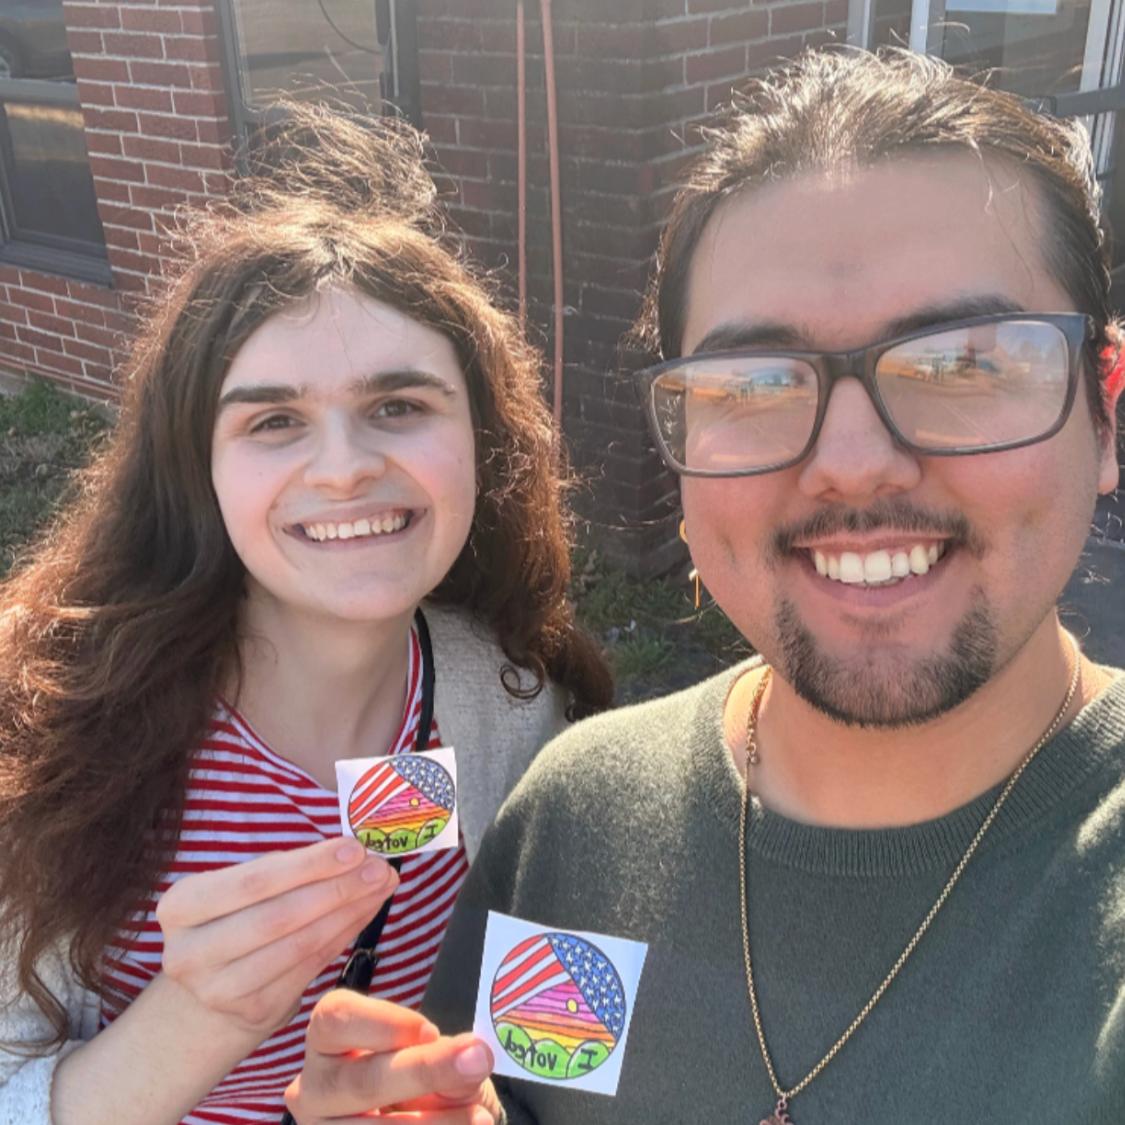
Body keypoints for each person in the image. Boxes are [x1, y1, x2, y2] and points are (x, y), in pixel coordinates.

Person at [285, 48, 1125, 1124]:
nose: (853, 464)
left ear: (1105, 413)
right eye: (755, 385)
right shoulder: (578, 825)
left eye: (964, 364)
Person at [0, 102, 611, 1125]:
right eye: (275, 420)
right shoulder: (38, 730)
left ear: (484, 440)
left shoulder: (512, 703)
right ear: (195, 469)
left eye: (398, 407)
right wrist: (194, 1017)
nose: (344, 468)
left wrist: (481, 1099)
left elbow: (534, 1052)